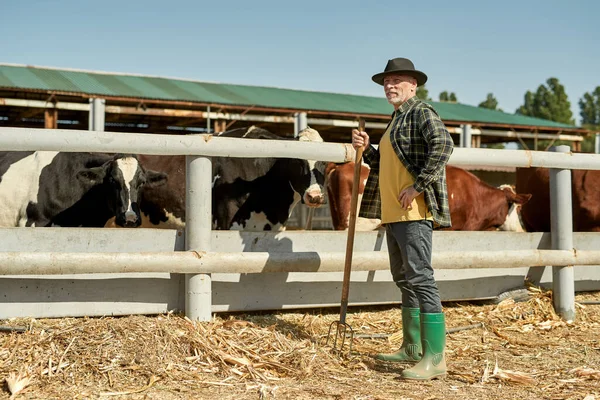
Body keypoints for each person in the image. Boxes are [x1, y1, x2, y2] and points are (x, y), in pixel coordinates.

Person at [351, 57, 454, 380]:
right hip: (393, 213)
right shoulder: (396, 118)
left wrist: (418, 186)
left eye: (396, 81)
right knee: (404, 278)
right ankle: (412, 347)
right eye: (386, 82)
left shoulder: (421, 112)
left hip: (413, 212)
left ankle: (435, 359)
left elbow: (444, 144)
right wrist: (368, 149)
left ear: (414, 85)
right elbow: (386, 165)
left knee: (421, 278)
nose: (389, 86)